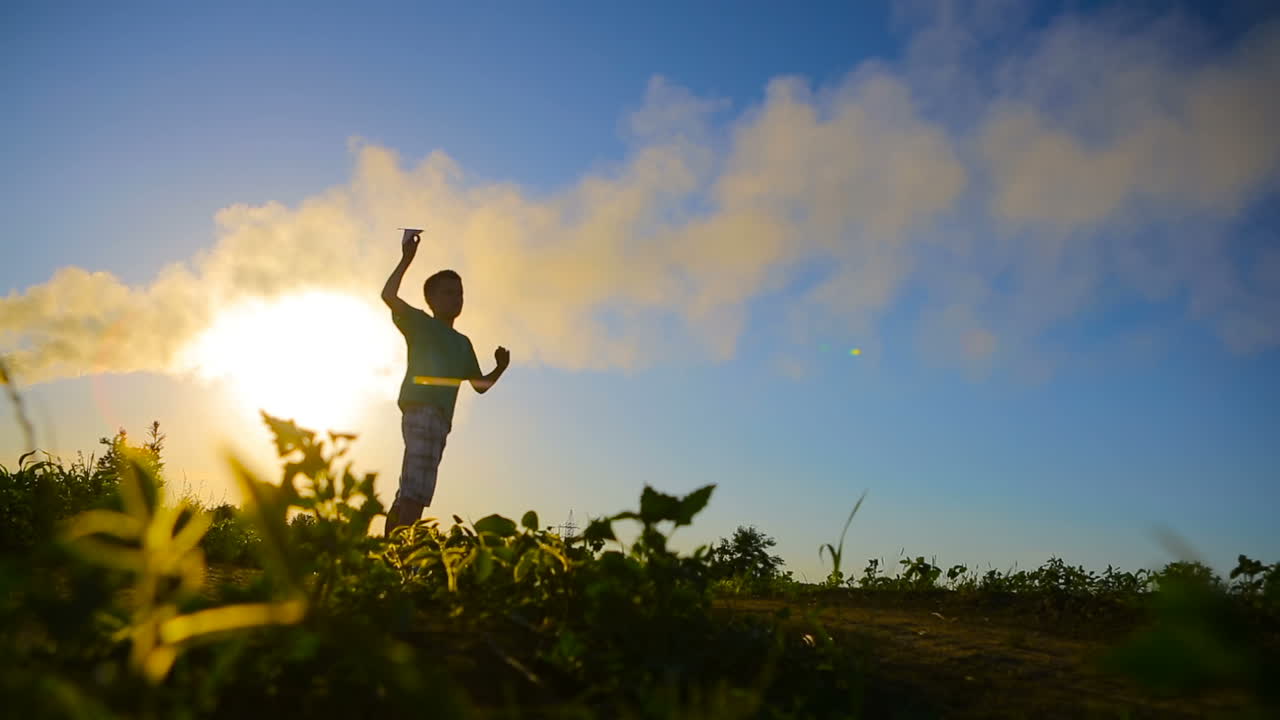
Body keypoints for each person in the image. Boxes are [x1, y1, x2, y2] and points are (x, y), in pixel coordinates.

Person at [381, 228, 509, 535]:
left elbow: (479, 385)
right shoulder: (420, 323)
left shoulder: (463, 343)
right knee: (417, 490)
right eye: (448, 293)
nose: (456, 298)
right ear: (432, 300)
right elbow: (388, 295)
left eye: (460, 293)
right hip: (421, 410)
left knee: (411, 487)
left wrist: (500, 367)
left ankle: (387, 556)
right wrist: (406, 258)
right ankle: (402, 565)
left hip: (441, 420)